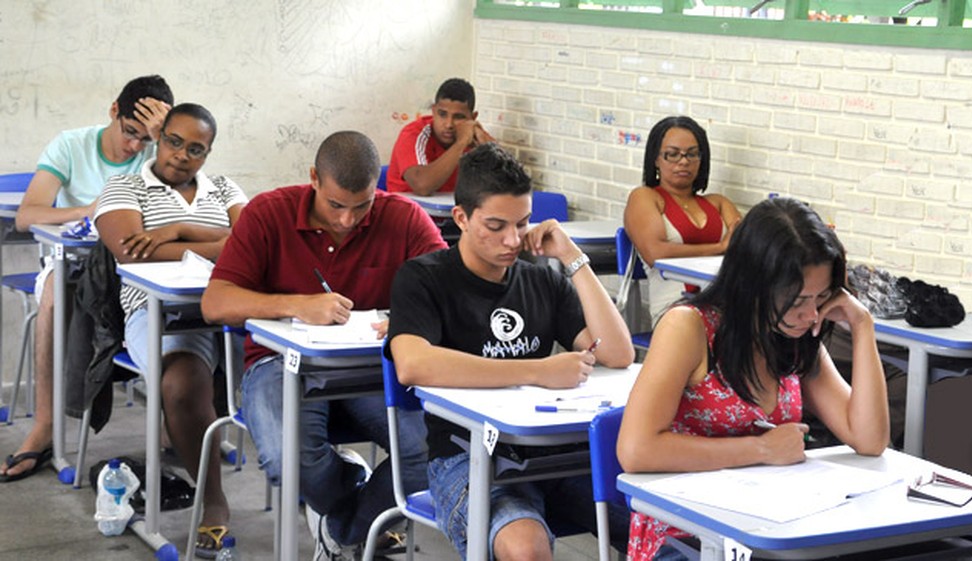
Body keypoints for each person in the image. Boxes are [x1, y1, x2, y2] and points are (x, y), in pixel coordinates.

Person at [200, 130, 446, 560]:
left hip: (372, 370)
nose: (348, 220)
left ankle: (343, 531)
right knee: (285, 459)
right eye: (336, 205)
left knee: (435, 446)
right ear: (314, 178)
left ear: (378, 188)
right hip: (280, 365)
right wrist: (296, 305)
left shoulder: (403, 216)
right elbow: (215, 302)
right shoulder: (268, 213)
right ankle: (353, 489)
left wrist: (410, 319)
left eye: (362, 206)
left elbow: (451, 292)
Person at [386, 142, 637, 560]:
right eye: (496, 225)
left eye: (522, 224)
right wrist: (536, 370)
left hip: (555, 456)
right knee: (526, 549)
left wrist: (573, 258)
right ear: (462, 218)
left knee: (669, 535)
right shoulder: (423, 278)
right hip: (467, 459)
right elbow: (413, 365)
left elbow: (618, 353)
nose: (512, 240)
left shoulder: (540, 279)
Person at [617, 197, 889, 561]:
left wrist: (862, 325)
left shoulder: (794, 339)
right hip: (686, 536)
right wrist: (760, 449)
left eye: (821, 297)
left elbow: (870, 439)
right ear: (753, 285)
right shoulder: (690, 328)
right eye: (796, 300)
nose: (811, 314)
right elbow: (636, 450)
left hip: (771, 529)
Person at [94, 103, 248, 558]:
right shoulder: (124, 186)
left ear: (208, 154)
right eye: (175, 142)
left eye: (196, 149)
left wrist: (174, 229)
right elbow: (131, 252)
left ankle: (320, 489)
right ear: (159, 139)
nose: (182, 155)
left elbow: (252, 244)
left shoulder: (223, 187)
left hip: (231, 310)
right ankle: (212, 498)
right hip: (159, 316)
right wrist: (214, 247)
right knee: (181, 383)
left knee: (288, 372)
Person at [1, 75, 173, 483]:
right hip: (71, 268)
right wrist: (94, 209)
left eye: (145, 139)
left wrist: (165, 140)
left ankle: (179, 427)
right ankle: (44, 425)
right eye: (130, 132)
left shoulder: (158, 157)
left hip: (134, 270)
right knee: (56, 294)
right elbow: (28, 216)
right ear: (114, 111)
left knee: (179, 305)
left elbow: (185, 200)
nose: (134, 147)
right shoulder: (71, 145)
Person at [622, 116, 741, 327]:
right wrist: (720, 247)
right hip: (676, 310)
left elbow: (744, 248)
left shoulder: (719, 203)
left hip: (725, 304)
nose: (684, 161)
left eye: (692, 154)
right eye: (673, 154)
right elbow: (655, 253)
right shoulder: (645, 198)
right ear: (656, 159)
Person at [386, 77, 496, 196]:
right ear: (433, 111)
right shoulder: (413, 134)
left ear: (472, 118)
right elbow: (422, 186)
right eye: (442, 114)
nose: (449, 124)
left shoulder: (473, 136)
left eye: (459, 117)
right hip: (408, 212)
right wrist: (461, 143)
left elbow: (509, 184)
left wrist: (488, 149)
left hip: (452, 212)